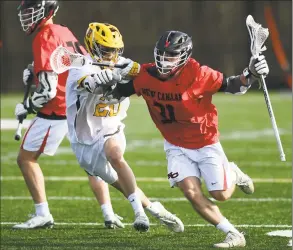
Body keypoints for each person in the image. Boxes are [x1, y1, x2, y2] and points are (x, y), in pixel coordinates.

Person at [98, 30, 270, 247]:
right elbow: (116, 93)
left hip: (205, 142)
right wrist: (106, 80)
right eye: (161, 54)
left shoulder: (198, 73)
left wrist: (251, 73)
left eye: (170, 55)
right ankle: (233, 233)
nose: (164, 59)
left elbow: (233, 85)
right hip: (175, 145)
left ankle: (233, 172)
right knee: (190, 191)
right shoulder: (144, 74)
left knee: (220, 194)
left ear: (184, 55)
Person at [13, 0, 123, 230]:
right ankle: (109, 214)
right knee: (92, 164)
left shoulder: (43, 35)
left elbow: (48, 91)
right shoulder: (63, 30)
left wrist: (27, 106)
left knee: (25, 159)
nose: (26, 17)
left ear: (46, 10)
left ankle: (42, 213)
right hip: (77, 105)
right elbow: (72, 63)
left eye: (31, 11)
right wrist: (35, 70)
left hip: (55, 109)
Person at [65, 22, 184, 233]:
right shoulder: (80, 67)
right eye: (106, 50)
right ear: (93, 46)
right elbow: (87, 83)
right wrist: (99, 79)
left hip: (111, 127)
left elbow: (149, 72)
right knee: (119, 183)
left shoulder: (123, 64)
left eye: (115, 51)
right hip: (84, 140)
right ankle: (154, 209)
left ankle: (139, 214)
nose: (112, 56)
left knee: (115, 154)